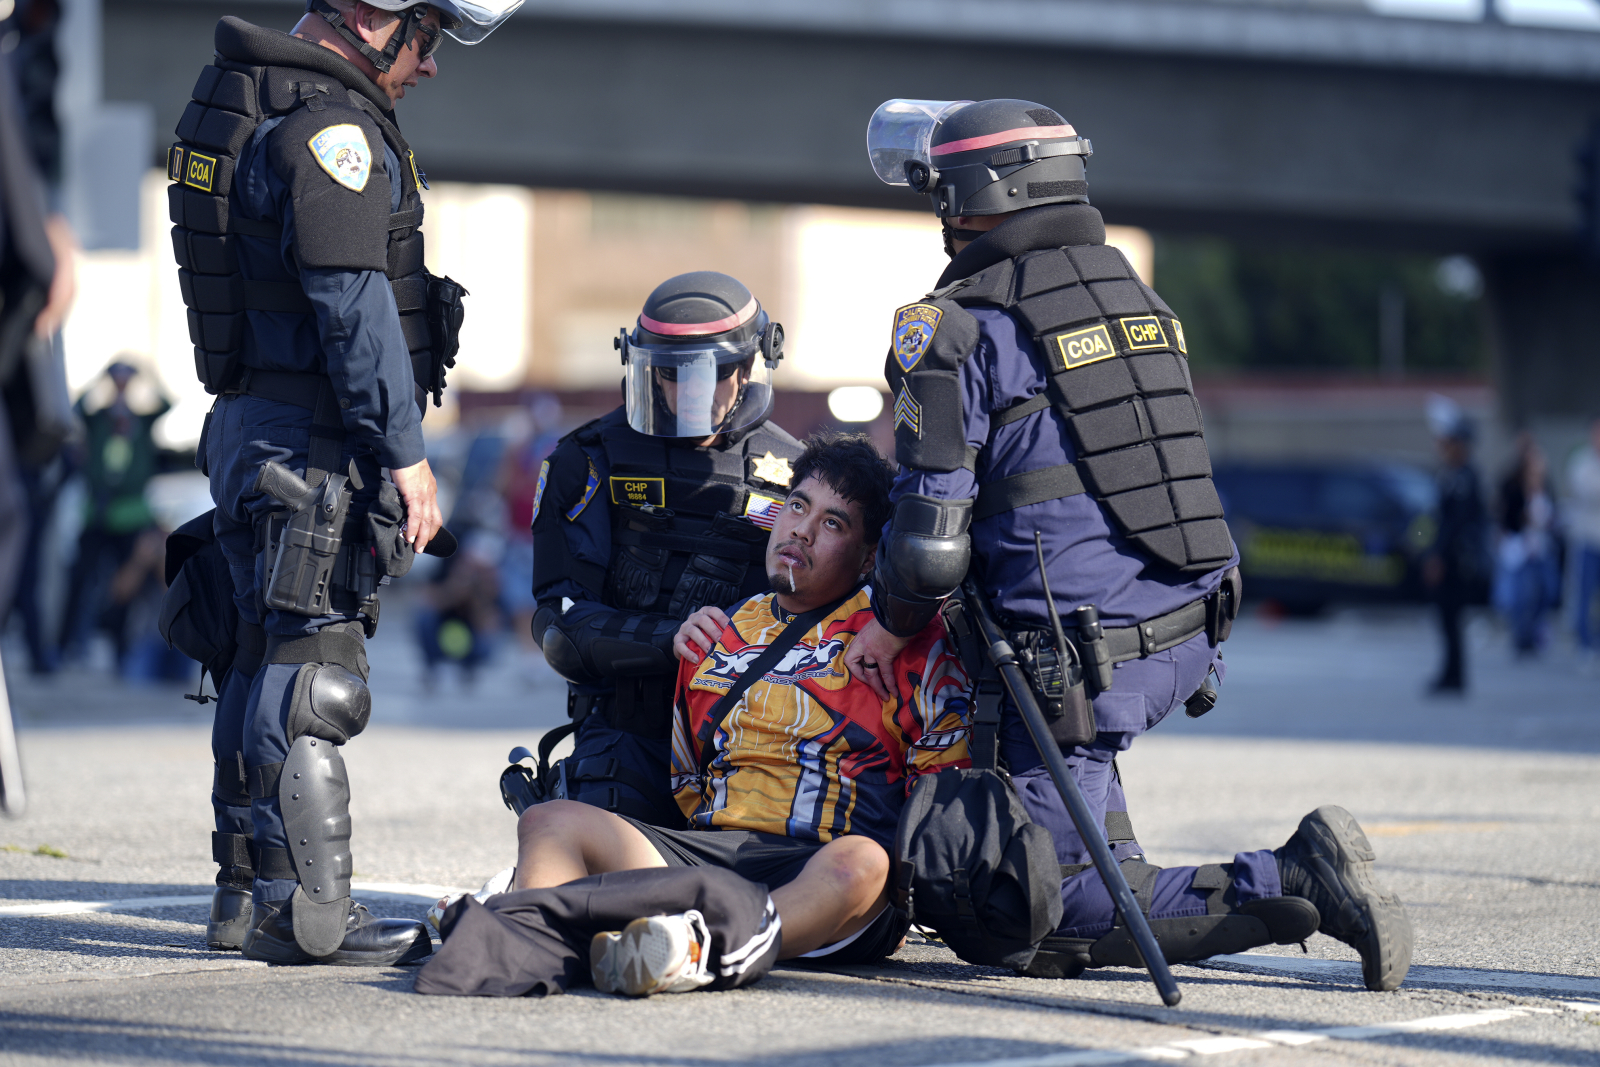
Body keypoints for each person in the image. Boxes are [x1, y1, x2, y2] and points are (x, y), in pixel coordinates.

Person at [846, 98, 1412, 990]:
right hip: (1187, 632)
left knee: (1062, 912)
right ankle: (1118, 858)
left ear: (974, 198)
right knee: (1070, 878)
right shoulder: (1140, 301)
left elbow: (926, 554)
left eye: (943, 192)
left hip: (1077, 666)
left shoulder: (954, 329)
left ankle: (1299, 873)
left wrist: (884, 622)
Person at [170, 0, 518, 965]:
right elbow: (352, 300)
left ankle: (243, 894)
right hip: (311, 439)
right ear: (372, 16)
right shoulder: (333, 131)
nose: (430, 64)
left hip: (249, 424)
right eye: (427, 35)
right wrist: (407, 453)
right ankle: (305, 912)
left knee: (255, 656)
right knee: (312, 674)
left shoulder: (243, 98)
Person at [418, 433, 972, 997]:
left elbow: (940, 790)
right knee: (549, 821)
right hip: (713, 857)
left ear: (871, 556)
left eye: (833, 523)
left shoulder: (898, 640)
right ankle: (538, 935)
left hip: (827, 870)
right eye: (797, 506)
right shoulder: (719, 633)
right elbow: (689, 784)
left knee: (864, 861)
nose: (801, 530)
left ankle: (692, 945)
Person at [527, 272, 804, 828]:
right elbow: (560, 624)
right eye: (673, 373)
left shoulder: (799, 477)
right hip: (625, 729)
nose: (693, 391)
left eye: (714, 372)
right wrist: (671, 640)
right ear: (647, 370)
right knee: (588, 854)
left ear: (749, 367)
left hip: (755, 735)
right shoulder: (587, 461)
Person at [57, 361, 171, 663]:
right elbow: (78, 407)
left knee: (127, 583)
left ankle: (120, 649)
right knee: (79, 579)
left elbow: (166, 403)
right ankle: (64, 644)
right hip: (96, 513)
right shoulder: (99, 420)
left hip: (130, 517)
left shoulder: (141, 422)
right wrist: (102, 379)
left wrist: (144, 376)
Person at [1423, 415, 1488, 693]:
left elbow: (1454, 524)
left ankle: (1455, 676)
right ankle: (1449, 673)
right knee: (1445, 620)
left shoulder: (1465, 477)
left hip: (1456, 560)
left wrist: (1437, 555)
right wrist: (1423, 544)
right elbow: (1432, 519)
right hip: (1445, 556)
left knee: (1452, 618)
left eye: (1447, 442)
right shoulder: (1448, 475)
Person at [1494, 433, 1561, 657]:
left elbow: (1552, 515)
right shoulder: (1513, 485)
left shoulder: (1545, 488)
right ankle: (1522, 637)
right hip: (1521, 548)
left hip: (1541, 548)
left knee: (1545, 592)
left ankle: (1534, 632)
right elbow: (1506, 515)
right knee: (1522, 595)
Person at [1567, 419, 1600, 664]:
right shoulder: (1581, 463)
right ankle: (1584, 643)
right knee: (1584, 594)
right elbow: (1586, 492)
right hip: (1588, 539)